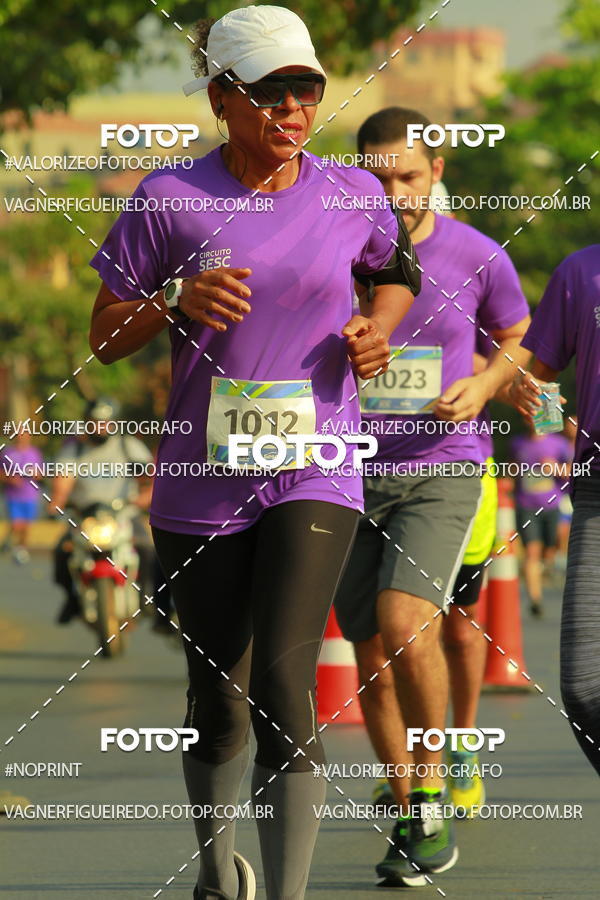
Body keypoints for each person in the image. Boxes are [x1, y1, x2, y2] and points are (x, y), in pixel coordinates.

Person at [87, 8, 419, 900]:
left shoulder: (352, 193)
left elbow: (397, 275)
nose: (292, 108)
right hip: (201, 481)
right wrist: (175, 301)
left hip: (316, 467)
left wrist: (377, 330)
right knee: (219, 703)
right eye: (270, 93)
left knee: (282, 679)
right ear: (220, 100)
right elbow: (104, 337)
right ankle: (214, 867)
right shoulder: (168, 198)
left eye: (306, 90)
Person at [333, 106, 531, 886]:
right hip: (341, 471)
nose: (394, 195)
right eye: (377, 180)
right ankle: (412, 807)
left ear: (437, 172)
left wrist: (483, 385)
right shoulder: (334, 250)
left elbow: (517, 336)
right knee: (369, 650)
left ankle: (435, 785)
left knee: (405, 621)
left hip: (443, 468)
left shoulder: (479, 255)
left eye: (409, 177)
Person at [509, 244, 600, 777]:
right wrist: (545, 423)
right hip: (596, 486)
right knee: (584, 688)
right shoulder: (580, 270)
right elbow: (539, 377)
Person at [51, 397, 154, 623]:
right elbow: (62, 482)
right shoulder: (74, 450)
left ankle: (144, 599)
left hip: (123, 515)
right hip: (85, 518)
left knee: (147, 549)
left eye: (105, 422)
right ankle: (71, 600)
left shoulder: (128, 446)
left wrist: (146, 497)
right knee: (61, 553)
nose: (100, 427)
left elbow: (150, 476)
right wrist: (57, 502)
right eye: (94, 422)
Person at [511, 424, 572, 616]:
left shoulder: (559, 443)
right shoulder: (517, 443)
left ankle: (548, 566)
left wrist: (556, 468)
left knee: (550, 549)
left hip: (552, 505)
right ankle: (535, 600)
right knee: (531, 552)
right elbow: (511, 470)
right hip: (526, 505)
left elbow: (573, 472)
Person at [0, 430, 43, 564]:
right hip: (13, 496)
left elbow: (40, 474)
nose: (21, 438)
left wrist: (34, 473)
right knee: (17, 524)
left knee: (26, 526)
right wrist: (10, 478)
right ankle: (10, 542)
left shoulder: (34, 453)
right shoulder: (7, 453)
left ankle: (21, 549)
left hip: (30, 495)